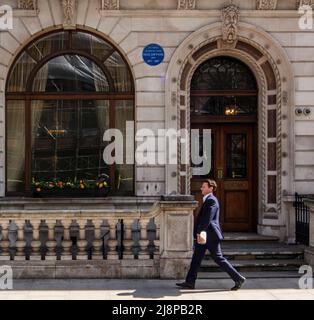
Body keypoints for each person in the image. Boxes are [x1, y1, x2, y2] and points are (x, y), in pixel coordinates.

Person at [176, 179, 246, 291]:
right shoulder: (208, 200)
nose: (201, 188)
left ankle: (238, 278)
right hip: (205, 235)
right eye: (202, 187)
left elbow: (207, 219)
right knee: (196, 258)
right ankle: (190, 282)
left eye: (203, 187)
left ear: (211, 188)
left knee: (218, 258)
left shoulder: (211, 200)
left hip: (210, 236)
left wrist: (199, 233)